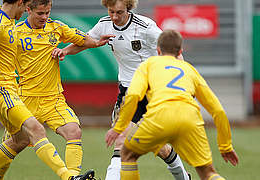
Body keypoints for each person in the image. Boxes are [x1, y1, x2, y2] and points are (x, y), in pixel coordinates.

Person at [52, 0, 190, 179]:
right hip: (127, 93)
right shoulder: (104, 24)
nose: (115, 17)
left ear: (129, 8)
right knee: (137, 143)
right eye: (111, 12)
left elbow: (173, 51)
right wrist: (66, 51)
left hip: (151, 92)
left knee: (139, 143)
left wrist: (183, 78)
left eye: (119, 12)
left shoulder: (146, 27)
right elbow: (86, 41)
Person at [0, 0, 104, 179]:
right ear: (27, 9)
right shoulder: (14, 31)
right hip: (24, 97)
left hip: (53, 99)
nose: (45, 17)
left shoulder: (56, 28)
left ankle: (72, 176)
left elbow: (82, 39)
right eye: (40, 13)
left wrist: (95, 42)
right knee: (16, 143)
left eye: (48, 12)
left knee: (74, 131)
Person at [105, 29, 239, 180]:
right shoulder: (190, 70)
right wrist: (225, 146)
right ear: (180, 51)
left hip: (159, 117)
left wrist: (118, 128)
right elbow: (218, 110)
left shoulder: (147, 65)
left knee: (127, 155)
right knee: (208, 172)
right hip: (190, 119)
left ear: (158, 50)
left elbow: (133, 96)